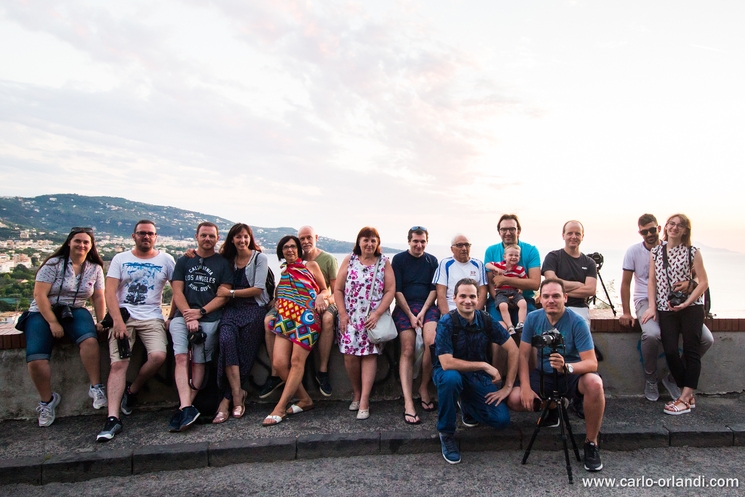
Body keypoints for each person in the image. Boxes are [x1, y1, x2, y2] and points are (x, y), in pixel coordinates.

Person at [507, 279, 605, 472]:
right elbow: (524, 355)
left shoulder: (577, 322)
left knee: (595, 384)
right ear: (540, 300)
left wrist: (566, 367)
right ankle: (553, 407)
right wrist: (525, 387)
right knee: (515, 399)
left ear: (565, 298)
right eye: (546, 296)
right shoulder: (533, 319)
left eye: (556, 296)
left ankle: (591, 443)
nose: (551, 300)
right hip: (544, 374)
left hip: (571, 373)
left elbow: (591, 363)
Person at [619, 214, 713, 402]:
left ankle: (673, 379)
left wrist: (689, 284)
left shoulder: (687, 251)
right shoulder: (635, 252)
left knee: (706, 340)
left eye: (652, 230)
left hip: (679, 303)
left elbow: (699, 279)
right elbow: (627, 283)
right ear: (640, 233)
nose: (649, 234)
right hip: (649, 302)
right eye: (644, 231)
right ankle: (651, 379)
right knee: (652, 335)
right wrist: (627, 312)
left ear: (659, 228)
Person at [97, 220, 175, 441]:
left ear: (156, 237)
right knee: (119, 363)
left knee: (159, 355)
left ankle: (132, 390)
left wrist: (171, 317)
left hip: (152, 317)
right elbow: (109, 292)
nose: (146, 237)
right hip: (124, 317)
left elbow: (177, 290)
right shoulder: (121, 259)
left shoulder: (166, 259)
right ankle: (112, 417)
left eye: (150, 234)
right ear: (134, 236)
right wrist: (116, 322)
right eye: (142, 233)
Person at [25, 227, 107, 427]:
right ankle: (47, 400)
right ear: (69, 243)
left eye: (86, 242)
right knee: (36, 358)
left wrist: (102, 321)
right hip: (44, 311)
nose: (81, 245)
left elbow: (98, 296)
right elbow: (40, 295)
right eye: (77, 241)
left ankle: (96, 386)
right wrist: (52, 322)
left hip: (75, 309)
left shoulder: (94, 268)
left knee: (89, 340)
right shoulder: (53, 264)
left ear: (91, 246)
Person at [433, 278, 518, 464]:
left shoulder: (486, 320)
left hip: (476, 378)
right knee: (451, 379)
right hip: (448, 373)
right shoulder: (446, 323)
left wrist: (508, 386)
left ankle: (467, 404)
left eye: (472, 296)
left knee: (501, 420)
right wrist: (484, 365)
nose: (467, 300)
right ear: (454, 298)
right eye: (462, 296)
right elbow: (446, 363)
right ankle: (446, 434)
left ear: (479, 298)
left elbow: (513, 350)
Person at [167, 222, 233, 432]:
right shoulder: (184, 260)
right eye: (203, 235)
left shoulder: (223, 263)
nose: (207, 239)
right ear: (196, 236)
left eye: (211, 236)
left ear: (217, 238)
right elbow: (177, 292)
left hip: (209, 318)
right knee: (180, 357)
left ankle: (184, 407)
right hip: (182, 316)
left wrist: (201, 312)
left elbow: (223, 295)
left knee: (199, 361)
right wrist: (189, 316)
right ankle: (186, 407)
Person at [641, 214, 709, 415]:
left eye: (680, 225)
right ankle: (685, 393)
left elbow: (703, 282)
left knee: (691, 350)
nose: (674, 228)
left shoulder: (692, 251)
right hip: (666, 308)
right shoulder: (656, 252)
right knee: (670, 350)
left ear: (686, 230)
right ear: (666, 227)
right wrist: (652, 307)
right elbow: (651, 281)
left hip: (691, 308)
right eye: (672, 224)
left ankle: (684, 397)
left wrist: (688, 302)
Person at [260, 226, 338, 399]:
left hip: (318, 304)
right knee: (268, 322)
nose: (305, 241)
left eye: (308, 238)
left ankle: (322, 371)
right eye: (301, 239)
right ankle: (275, 374)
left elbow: (334, 290)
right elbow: (284, 288)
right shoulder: (287, 267)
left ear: (316, 237)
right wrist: (277, 300)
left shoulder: (323, 261)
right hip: (291, 308)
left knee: (326, 320)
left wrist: (322, 298)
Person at [211, 224, 270, 424]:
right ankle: (237, 394)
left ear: (250, 238)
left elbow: (258, 289)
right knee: (227, 342)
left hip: (254, 308)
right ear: (232, 240)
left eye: (245, 237)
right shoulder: (227, 260)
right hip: (232, 310)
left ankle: (226, 400)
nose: (242, 240)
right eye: (238, 237)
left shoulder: (259, 258)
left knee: (245, 352)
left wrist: (231, 293)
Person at [334, 227, 395, 420]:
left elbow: (390, 290)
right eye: (365, 240)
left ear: (378, 243)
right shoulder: (349, 260)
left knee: (369, 356)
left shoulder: (384, 262)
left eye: (373, 241)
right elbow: (338, 289)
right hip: (350, 317)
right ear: (359, 242)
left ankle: (365, 400)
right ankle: (357, 392)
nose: (369, 244)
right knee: (350, 357)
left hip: (371, 318)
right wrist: (342, 314)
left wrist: (377, 314)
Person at [391, 226, 440, 423]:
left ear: (426, 242)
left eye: (422, 241)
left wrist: (422, 312)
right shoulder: (399, 260)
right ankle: (408, 402)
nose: (419, 245)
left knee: (431, 343)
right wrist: (411, 315)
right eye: (415, 241)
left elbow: (434, 289)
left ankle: (423, 387)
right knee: (408, 349)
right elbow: (397, 290)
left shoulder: (432, 261)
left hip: (427, 307)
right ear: (409, 241)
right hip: (405, 307)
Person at [484, 214, 541, 323]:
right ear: (499, 232)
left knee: (527, 330)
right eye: (504, 229)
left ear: (518, 231)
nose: (508, 233)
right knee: (500, 330)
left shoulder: (531, 250)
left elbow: (535, 283)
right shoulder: (491, 251)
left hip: (524, 299)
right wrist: (500, 299)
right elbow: (491, 283)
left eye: (512, 229)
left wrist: (505, 280)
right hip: (497, 298)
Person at [541, 221, 597, 326]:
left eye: (577, 233)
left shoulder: (589, 263)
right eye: (570, 233)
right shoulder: (553, 257)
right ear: (563, 235)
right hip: (553, 306)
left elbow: (590, 290)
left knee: (581, 333)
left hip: (579, 308)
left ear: (582, 236)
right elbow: (551, 282)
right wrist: (578, 285)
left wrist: (559, 292)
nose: (573, 236)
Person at [433, 234, 487, 313]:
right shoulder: (445, 264)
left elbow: (483, 293)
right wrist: (447, 317)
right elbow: (441, 295)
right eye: (459, 245)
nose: (464, 248)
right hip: (451, 309)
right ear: (452, 249)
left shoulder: (478, 264)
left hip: (473, 310)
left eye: (467, 245)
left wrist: (475, 315)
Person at [485, 243, 528, 334]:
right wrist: (495, 269)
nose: (513, 257)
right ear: (505, 256)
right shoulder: (500, 265)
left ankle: (521, 323)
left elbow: (525, 280)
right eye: (511, 255)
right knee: (503, 306)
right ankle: (510, 326)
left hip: (514, 291)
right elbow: (487, 265)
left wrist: (521, 288)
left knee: (523, 303)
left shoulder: (520, 269)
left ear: (519, 258)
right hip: (501, 291)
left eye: (516, 255)